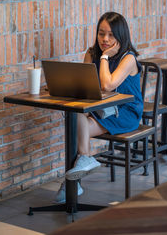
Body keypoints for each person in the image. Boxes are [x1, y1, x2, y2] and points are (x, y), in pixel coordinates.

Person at [55, 11, 143, 203]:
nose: (105, 38)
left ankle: (72, 184)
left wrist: (104, 57)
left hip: (125, 112)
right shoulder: (90, 53)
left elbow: (107, 84)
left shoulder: (128, 59)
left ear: (121, 36)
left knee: (78, 127)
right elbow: (85, 83)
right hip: (100, 107)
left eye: (111, 35)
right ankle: (83, 161)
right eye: (101, 33)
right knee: (74, 111)